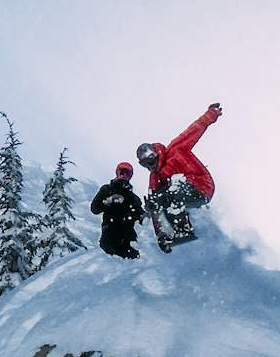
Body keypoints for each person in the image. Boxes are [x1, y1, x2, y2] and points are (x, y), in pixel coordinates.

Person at [136, 103, 222, 250]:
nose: (150, 167)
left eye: (150, 161)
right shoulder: (154, 176)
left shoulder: (175, 150)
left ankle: (184, 228)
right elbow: (156, 209)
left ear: (156, 154)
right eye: (145, 165)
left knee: (172, 188)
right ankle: (177, 232)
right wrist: (161, 238)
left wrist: (211, 114)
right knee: (156, 200)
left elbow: (193, 131)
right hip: (185, 195)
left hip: (201, 185)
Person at [91, 163, 144, 258]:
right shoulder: (106, 190)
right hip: (109, 237)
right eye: (121, 172)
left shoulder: (133, 198)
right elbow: (94, 209)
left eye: (127, 173)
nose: (123, 176)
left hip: (128, 240)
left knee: (132, 268)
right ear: (117, 172)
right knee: (109, 265)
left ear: (130, 176)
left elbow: (142, 219)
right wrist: (107, 202)